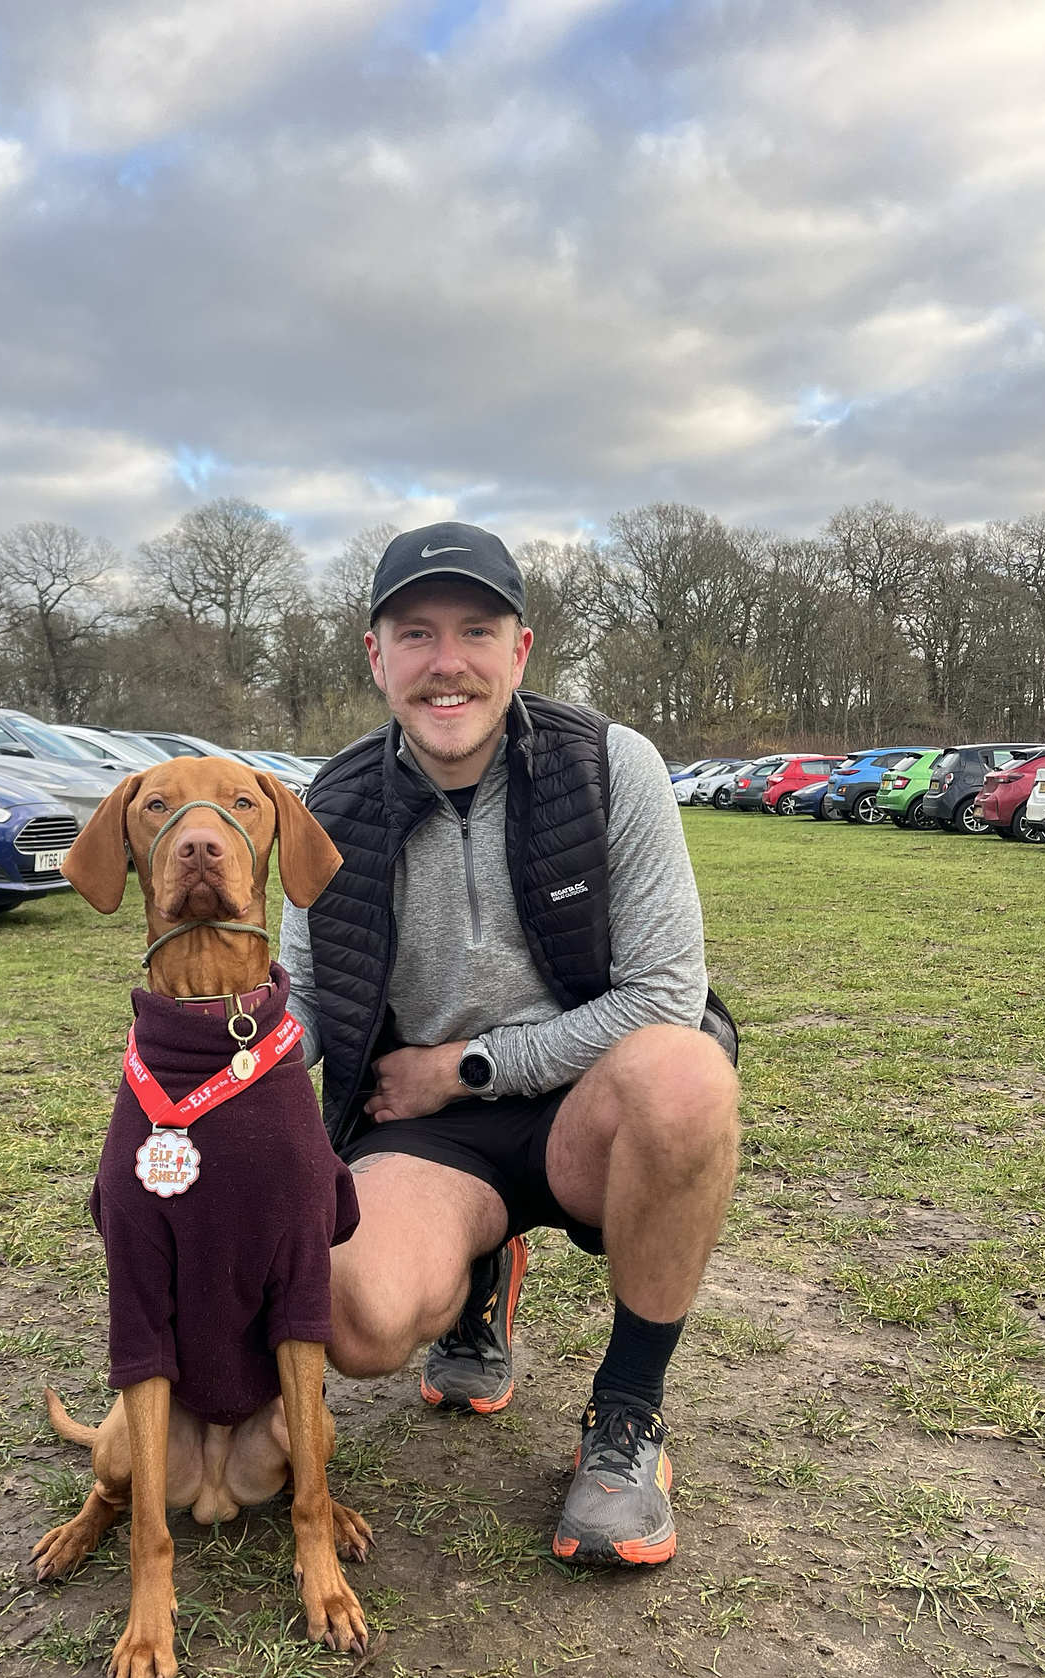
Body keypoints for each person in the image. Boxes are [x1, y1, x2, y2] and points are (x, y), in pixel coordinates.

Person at [278, 521, 740, 1565]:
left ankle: (626, 1411)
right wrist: (206, 1072)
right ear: (376, 656)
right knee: (357, 1320)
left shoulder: (611, 764)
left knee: (687, 1074)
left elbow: (666, 994)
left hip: (581, 1102)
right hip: (431, 1133)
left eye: (476, 631)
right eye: (416, 633)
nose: (447, 662)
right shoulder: (330, 803)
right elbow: (303, 1003)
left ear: (519, 650)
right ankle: (477, 1270)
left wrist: (465, 1068)